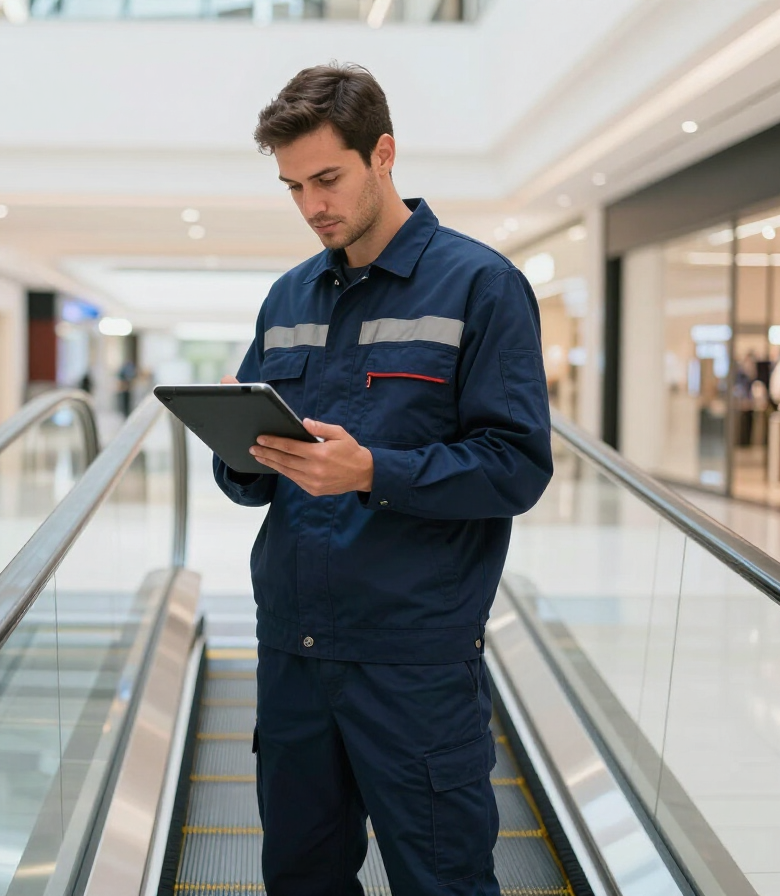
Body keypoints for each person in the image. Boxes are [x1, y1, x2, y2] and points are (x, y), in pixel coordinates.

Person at [212, 64, 553, 896]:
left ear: (384, 154)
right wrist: (235, 452)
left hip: (414, 663)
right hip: (293, 648)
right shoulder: (288, 296)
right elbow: (254, 482)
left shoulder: (482, 286)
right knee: (300, 877)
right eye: (294, 187)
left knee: (443, 881)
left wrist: (372, 472)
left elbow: (516, 466)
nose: (312, 205)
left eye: (327, 178)